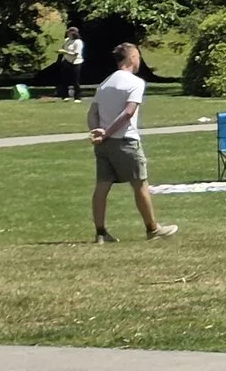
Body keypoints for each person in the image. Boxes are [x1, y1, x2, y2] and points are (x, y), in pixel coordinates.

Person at [87, 43, 176, 242]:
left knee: (102, 187)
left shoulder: (105, 83)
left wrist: (97, 133)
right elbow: (128, 112)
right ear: (131, 57)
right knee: (140, 185)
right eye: (138, 56)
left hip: (103, 145)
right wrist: (108, 132)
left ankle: (100, 233)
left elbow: (92, 113)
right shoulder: (135, 83)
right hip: (125, 141)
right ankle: (152, 229)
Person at [55, 26, 85, 101]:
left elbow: (75, 54)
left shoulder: (78, 42)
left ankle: (77, 97)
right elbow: (61, 46)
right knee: (64, 79)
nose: (67, 34)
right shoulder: (66, 40)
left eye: (69, 32)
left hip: (76, 62)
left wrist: (64, 52)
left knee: (75, 80)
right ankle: (65, 96)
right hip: (66, 61)